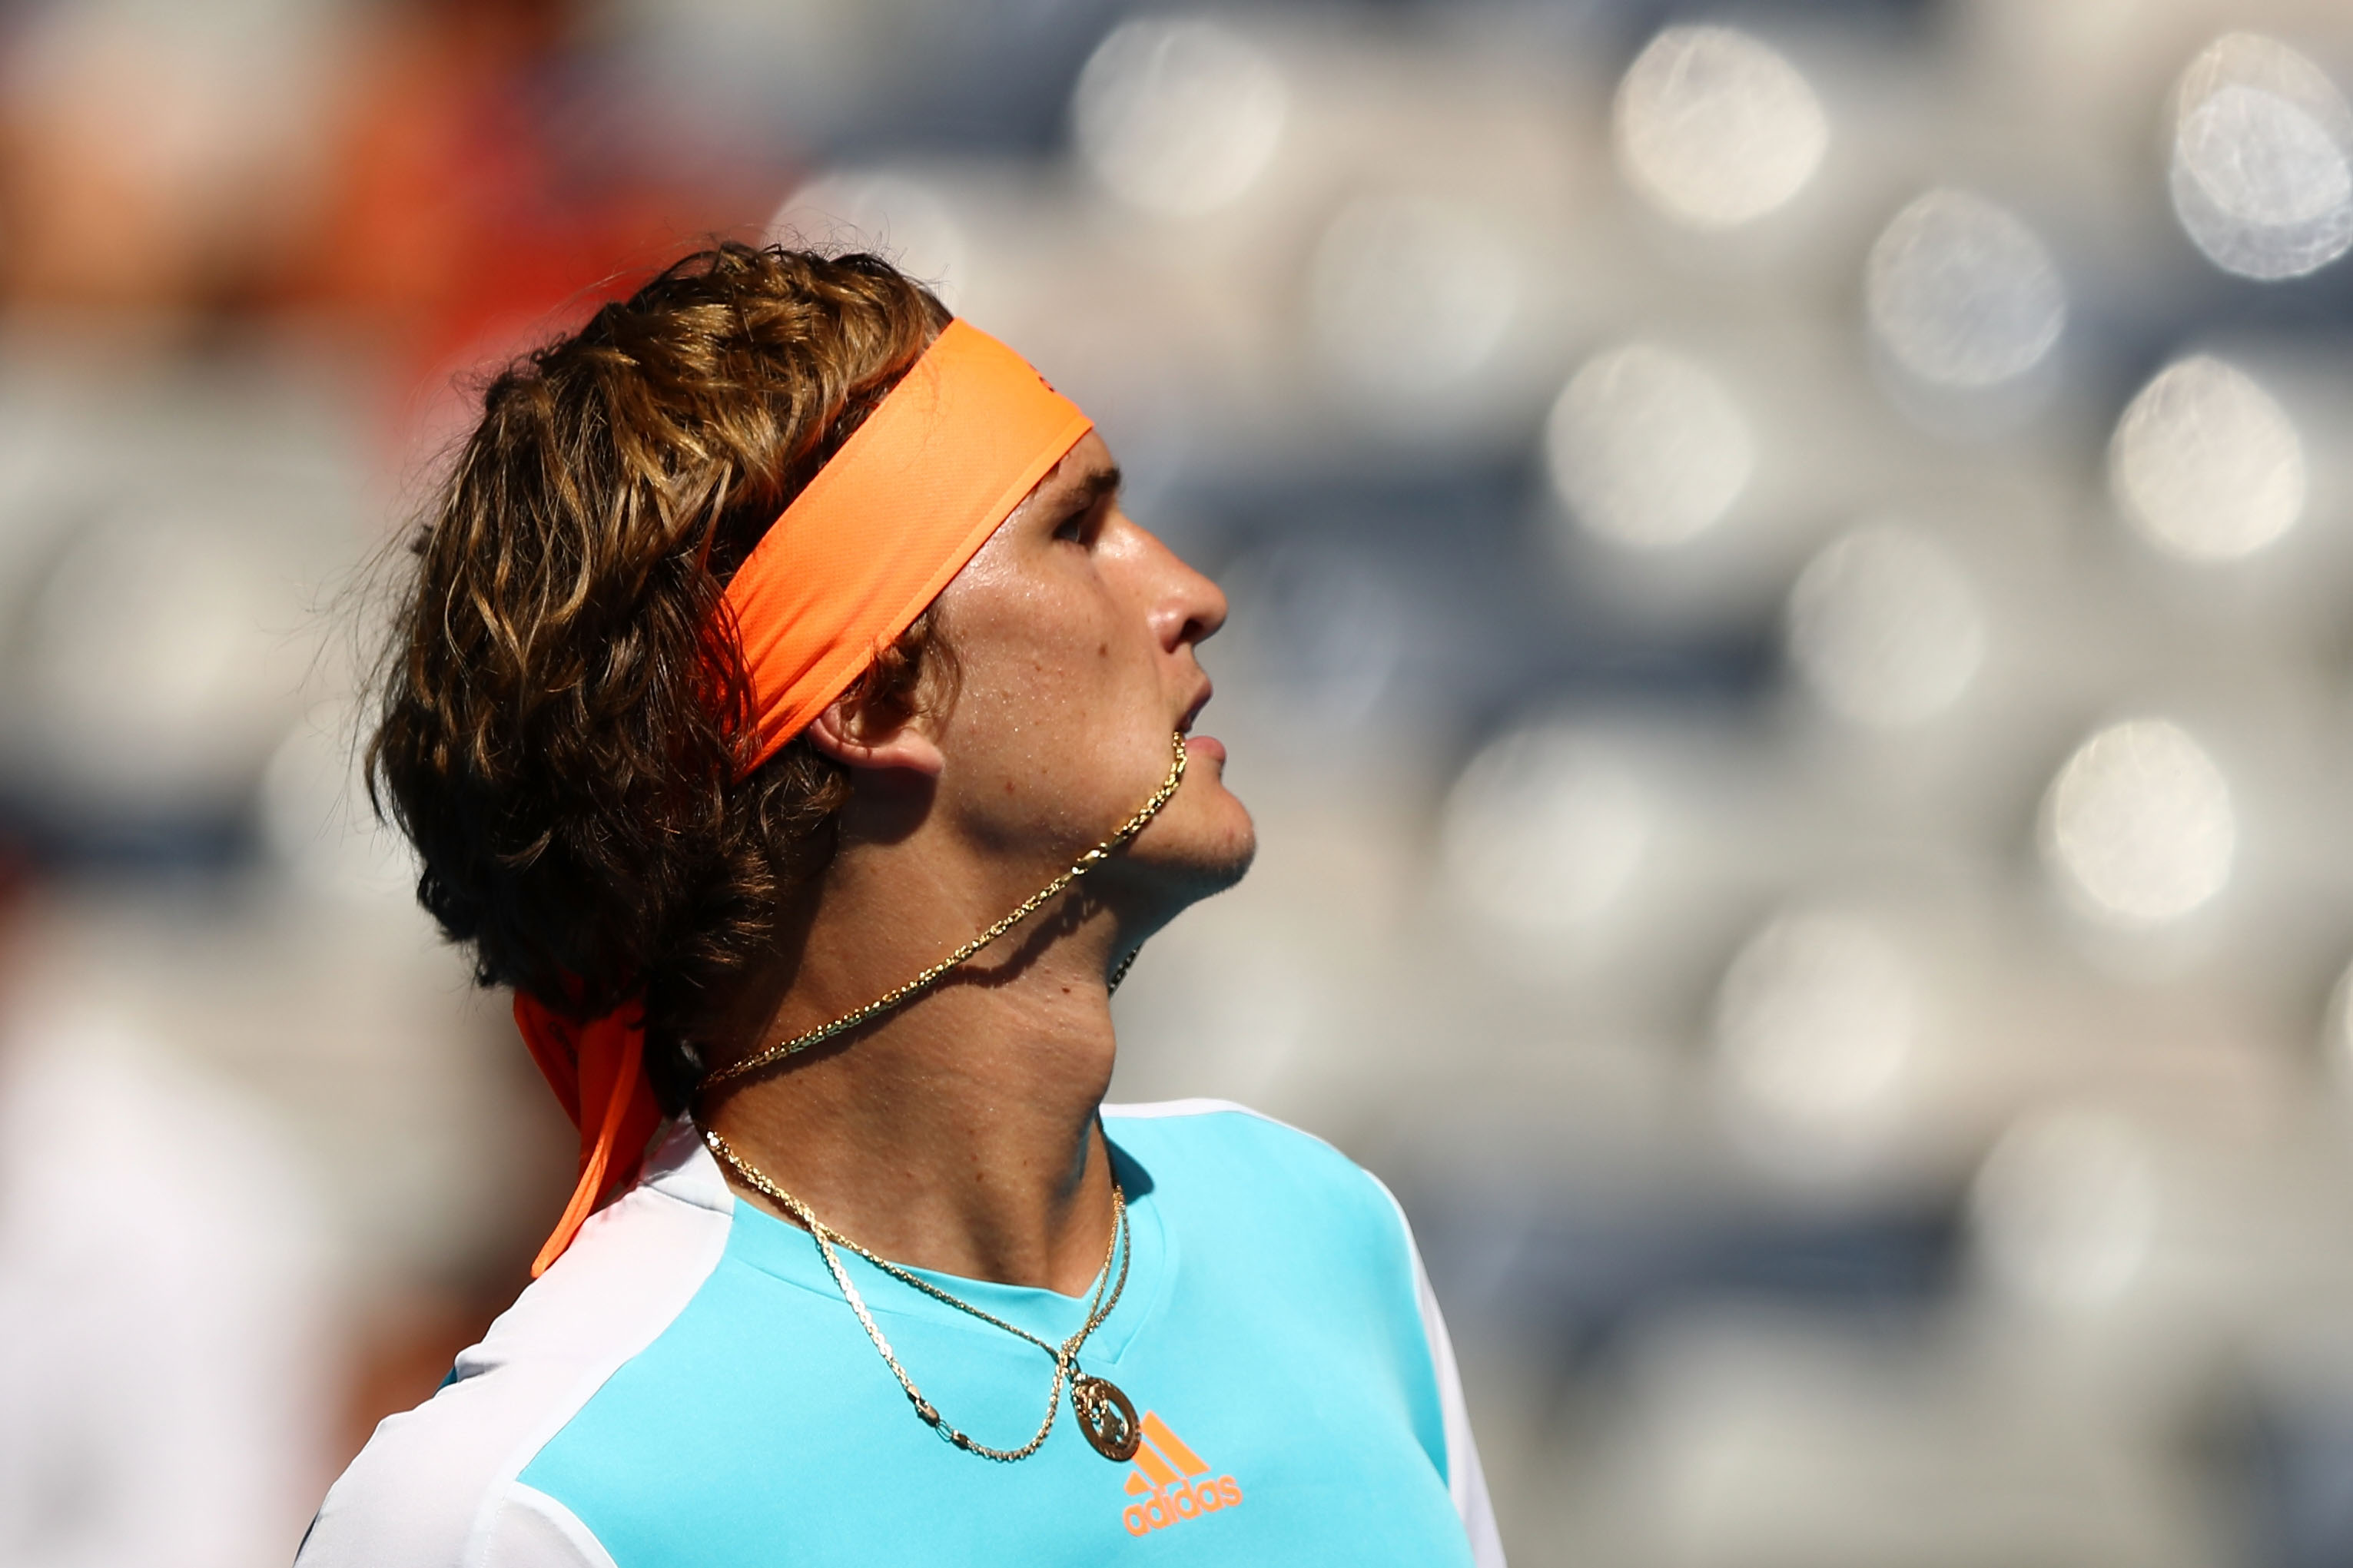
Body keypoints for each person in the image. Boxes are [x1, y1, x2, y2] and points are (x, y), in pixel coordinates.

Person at [297, 242, 1502, 1566]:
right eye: (1076, 528)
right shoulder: (519, 1501)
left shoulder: (1323, 1232)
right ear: (872, 695)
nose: (1189, 594)